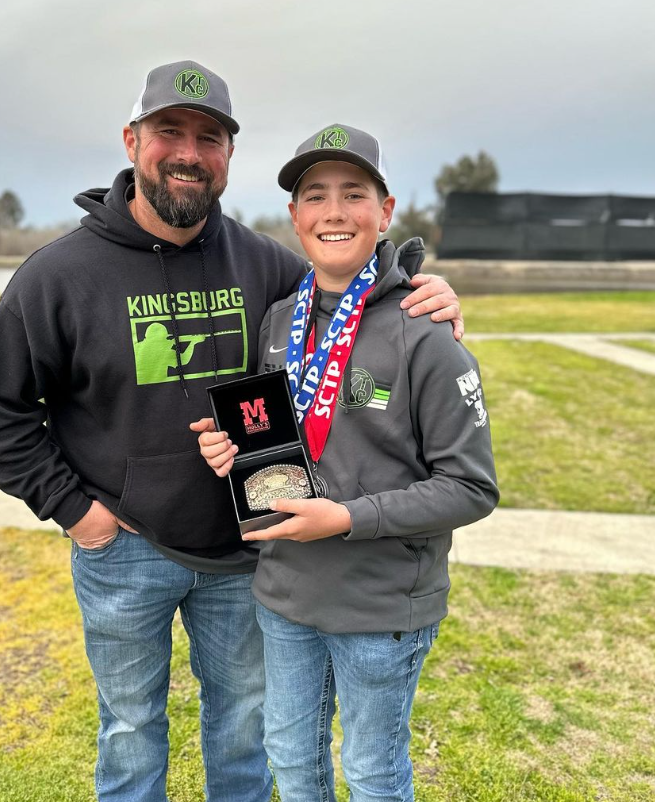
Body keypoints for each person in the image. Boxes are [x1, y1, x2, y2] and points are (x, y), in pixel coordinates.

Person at [0, 60, 464, 802]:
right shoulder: (58, 276)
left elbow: (353, 297)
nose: (190, 152)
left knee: (244, 730)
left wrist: (429, 296)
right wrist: (79, 513)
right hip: (123, 549)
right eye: (171, 131)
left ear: (230, 156)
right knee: (131, 731)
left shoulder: (266, 265)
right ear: (133, 141)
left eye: (211, 137)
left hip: (242, 555)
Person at [196, 124, 498, 801]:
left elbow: (471, 488)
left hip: (380, 609)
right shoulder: (280, 322)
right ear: (294, 217)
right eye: (315, 196)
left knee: (371, 773)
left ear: (385, 212)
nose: (334, 212)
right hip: (284, 598)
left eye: (354, 194)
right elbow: (275, 435)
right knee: (293, 762)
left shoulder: (427, 333)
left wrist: (346, 519)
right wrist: (231, 450)